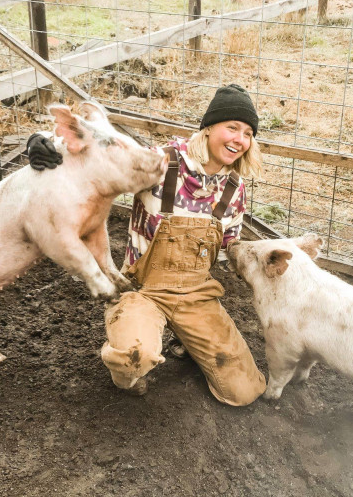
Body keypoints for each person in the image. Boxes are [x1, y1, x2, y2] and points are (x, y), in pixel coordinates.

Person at [27, 84, 266, 406]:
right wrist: (48, 144)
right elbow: (101, 155)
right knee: (130, 357)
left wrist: (267, 257)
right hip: (143, 290)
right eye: (232, 127)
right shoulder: (161, 162)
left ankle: (188, 337)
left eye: (248, 133)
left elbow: (230, 245)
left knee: (244, 391)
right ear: (209, 129)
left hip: (195, 294)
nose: (240, 139)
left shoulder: (234, 189)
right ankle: (127, 371)